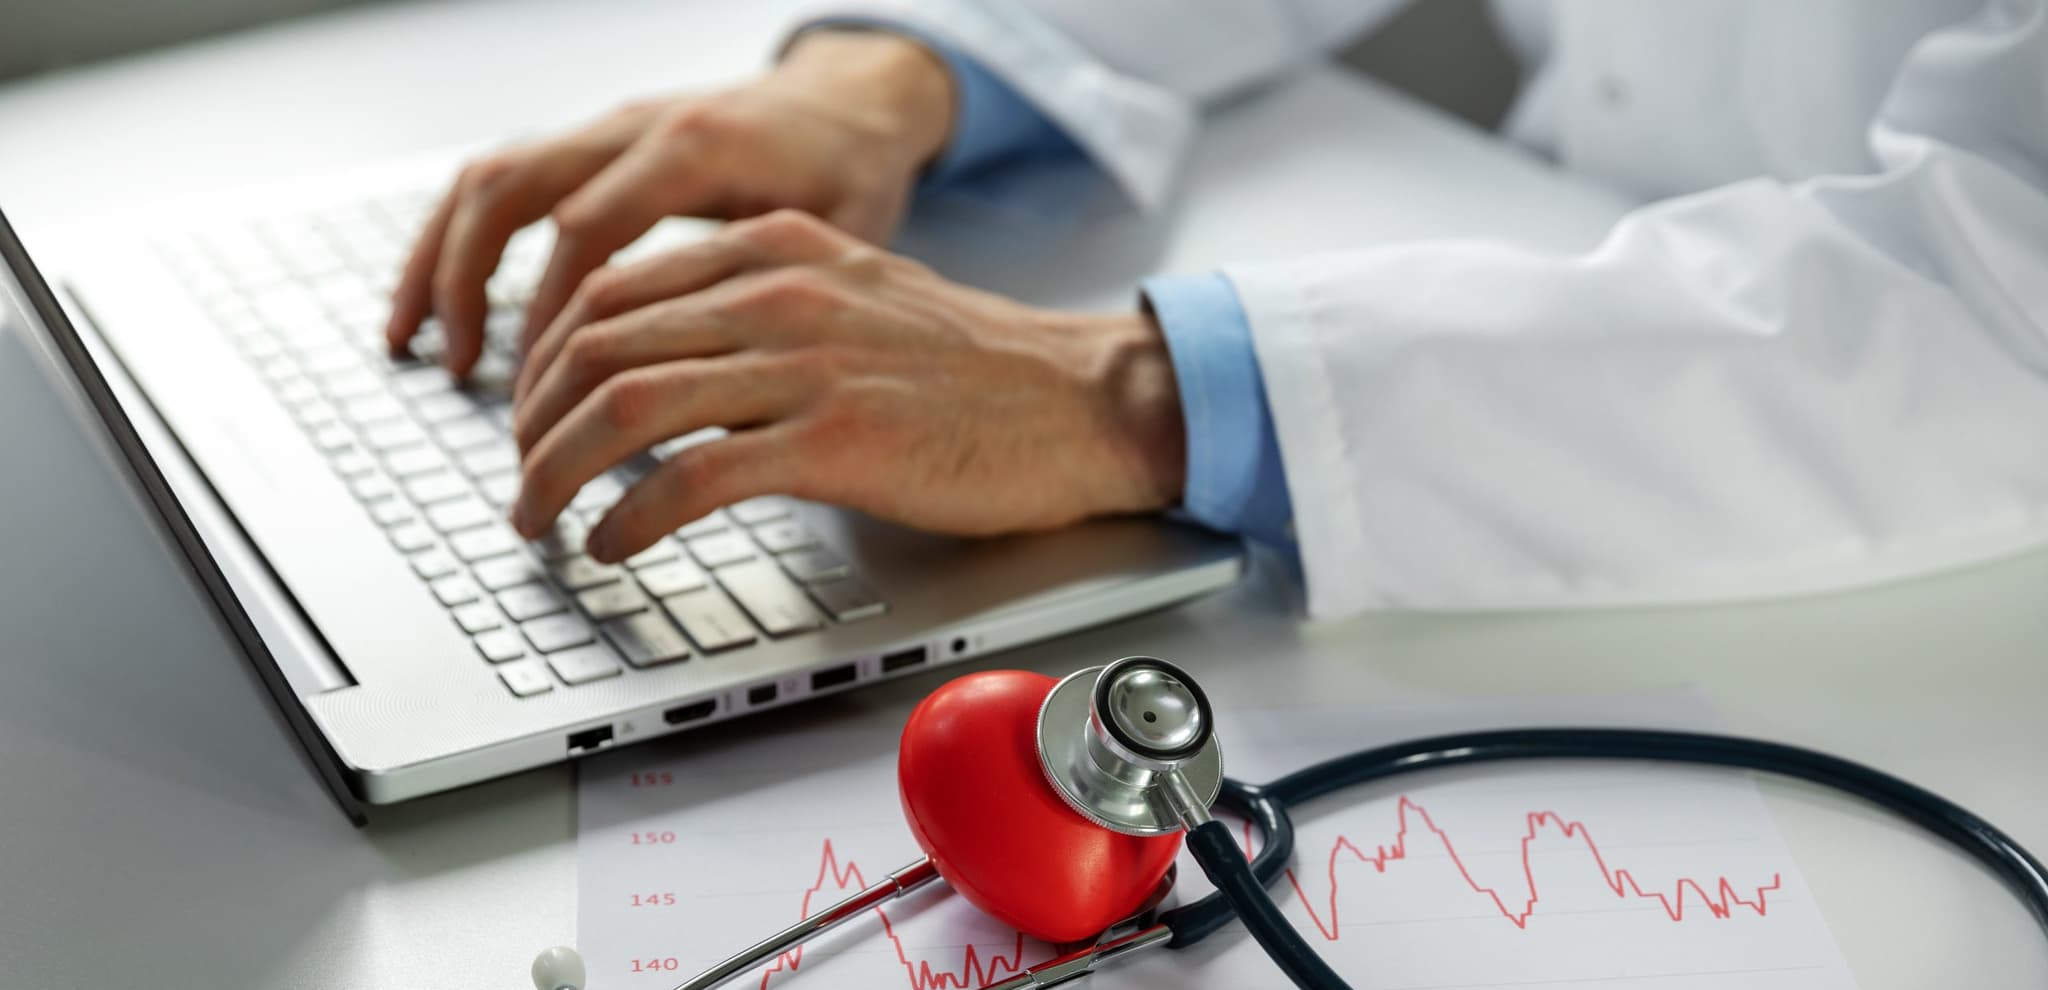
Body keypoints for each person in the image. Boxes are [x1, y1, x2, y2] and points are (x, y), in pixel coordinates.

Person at [385, 0, 2048, 618]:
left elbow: (2005, 288)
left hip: (1952, 588)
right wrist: (933, 67)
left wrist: (1128, 391)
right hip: (1547, 410)